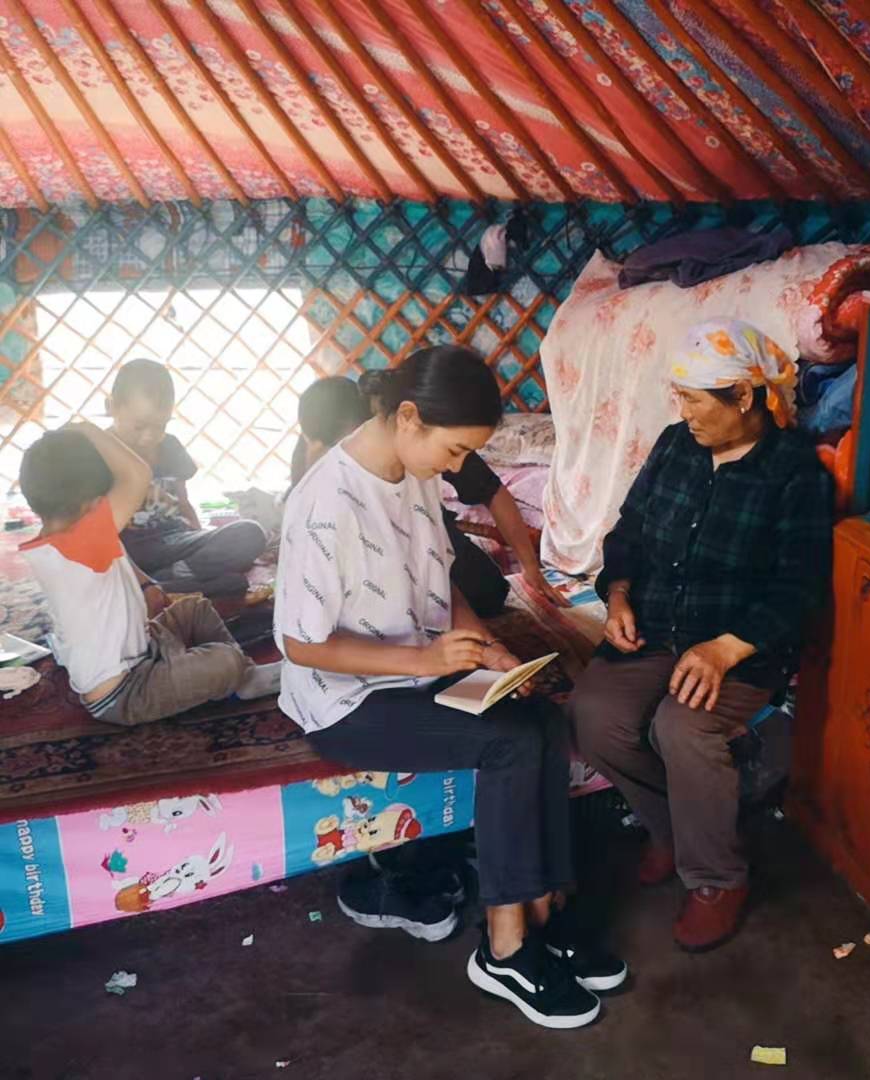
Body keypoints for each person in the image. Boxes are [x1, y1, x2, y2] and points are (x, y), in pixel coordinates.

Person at [274, 345, 625, 1028]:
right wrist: (429, 660)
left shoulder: (412, 470)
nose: (459, 465)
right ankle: (505, 947)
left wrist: (486, 646)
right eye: (456, 449)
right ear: (409, 417)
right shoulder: (324, 503)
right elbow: (301, 645)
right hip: (346, 699)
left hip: (416, 666)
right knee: (509, 744)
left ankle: (545, 907)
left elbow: (441, 582)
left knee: (542, 721)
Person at [568, 318, 833, 953]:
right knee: (592, 714)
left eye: (693, 400)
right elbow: (630, 531)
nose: (682, 412)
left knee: (682, 726)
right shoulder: (675, 446)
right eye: (679, 398)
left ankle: (717, 878)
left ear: (742, 396)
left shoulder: (794, 472)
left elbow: (799, 586)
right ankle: (675, 831)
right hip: (654, 627)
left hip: (738, 647)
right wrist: (618, 594)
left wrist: (725, 648)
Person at [18, 423, 281, 726]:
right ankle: (240, 676)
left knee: (194, 609)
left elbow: (121, 557)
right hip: (126, 691)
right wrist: (84, 427)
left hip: (143, 648)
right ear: (90, 502)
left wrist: (146, 585)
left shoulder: (59, 542)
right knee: (226, 661)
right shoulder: (80, 540)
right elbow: (138, 475)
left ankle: (241, 676)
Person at [291, 370, 567, 615]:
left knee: (486, 593)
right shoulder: (320, 464)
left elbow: (492, 491)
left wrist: (530, 567)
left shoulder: (426, 435)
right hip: (362, 545)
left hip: (424, 532)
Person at [108, 358, 267, 596]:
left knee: (250, 533)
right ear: (111, 407)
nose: (149, 437)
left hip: (177, 539)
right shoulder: (102, 453)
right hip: (133, 549)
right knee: (232, 583)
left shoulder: (170, 446)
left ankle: (167, 581)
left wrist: (200, 535)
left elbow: (182, 501)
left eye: (160, 426)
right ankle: (173, 582)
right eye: (139, 426)